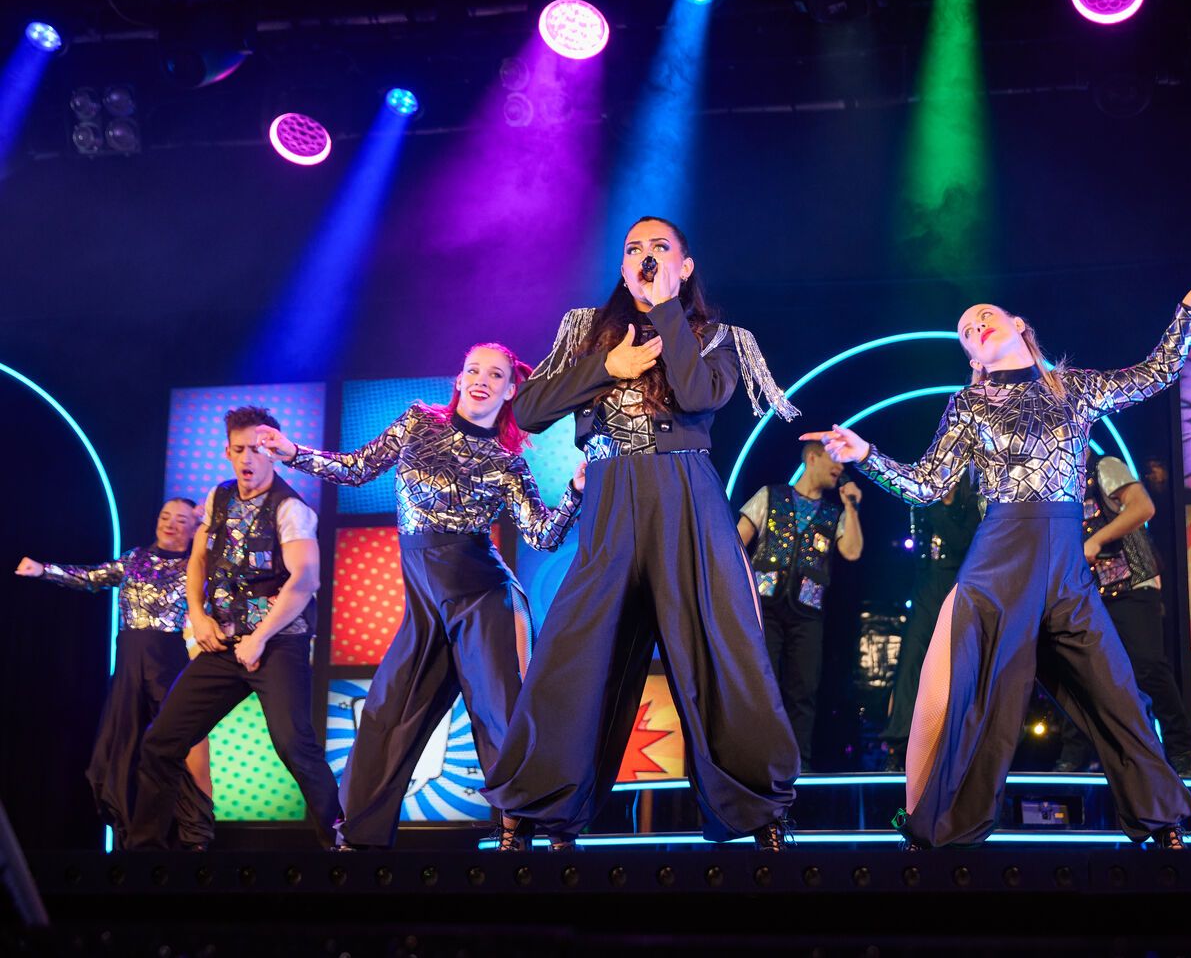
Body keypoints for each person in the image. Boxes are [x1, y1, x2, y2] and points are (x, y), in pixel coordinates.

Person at [804, 249, 1191, 850]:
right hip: (1001, 558)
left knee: (1117, 691)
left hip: (1064, 561)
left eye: (984, 316)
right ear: (972, 356)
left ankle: (1158, 820)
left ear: (1019, 327)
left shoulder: (1075, 389)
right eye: (964, 331)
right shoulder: (968, 405)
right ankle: (951, 832)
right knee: (988, 704)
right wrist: (867, 455)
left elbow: (1157, 374)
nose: (974, 327)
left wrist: (1190, 308)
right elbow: (927, 484)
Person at [484, 216, 801, 851]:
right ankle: (542, 808)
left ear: (685, 267)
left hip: (687, 494)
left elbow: (699, 394)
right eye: (634, 249)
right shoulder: (585, 329)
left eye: (660, 248)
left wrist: (667, 316)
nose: (645, 256)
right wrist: (608, 364)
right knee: (576, 650)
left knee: (719, 646)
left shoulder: (722, 337)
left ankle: (755, 810)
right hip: (610, 496)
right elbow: (529, 410)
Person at [255, 342, 585, 850]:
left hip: (482, 597)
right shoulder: (419, 422)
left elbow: (542, 535)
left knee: (500, 715)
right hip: (426, 604)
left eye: (495, 374)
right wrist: (294, 453)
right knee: (387, 712)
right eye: (473, 369)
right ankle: (360, 839)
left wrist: (576, 491)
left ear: (510, 389)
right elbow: (355, 468)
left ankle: (523, 831)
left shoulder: (508, 462)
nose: (481, 378)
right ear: (458, 378)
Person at [126, 406, 340, 850]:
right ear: (227, 451)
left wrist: (260, 638)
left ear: (274, 454)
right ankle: (143, 854)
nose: (248, 458)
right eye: (240, 449)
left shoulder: (291, 509)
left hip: (279, 641)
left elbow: (305, 581)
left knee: (293, 745)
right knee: (161, 742)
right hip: (224, 643)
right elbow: (199, 558)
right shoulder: (219, 497)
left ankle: (340, 842)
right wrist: (199, 615)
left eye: (259, 449)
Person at [16, 500, 212, 849]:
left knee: (176, 747)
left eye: (181, 520)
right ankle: (134, 838)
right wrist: (43, 570)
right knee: (121, 750)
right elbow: (93, 577)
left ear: (193, 528)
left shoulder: (196, 566)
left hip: (167, 662)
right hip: (129, 665)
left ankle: (194, 836)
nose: (170, 524)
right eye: (165, 516)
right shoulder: (134, 559)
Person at [1052, 453, 1191, 776]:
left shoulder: (1102, 467)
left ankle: (1181, 751)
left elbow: (1143, 507)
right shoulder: (1050, 482)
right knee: (1076, 669)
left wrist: (1096, 540)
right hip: (1085, 590)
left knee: (1147, 667)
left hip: (1130, 583)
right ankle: (1073, 757)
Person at [737, 440, 865, 767]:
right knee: (761, 684)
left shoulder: (833, 512)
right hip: (764, 607)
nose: (840, 468)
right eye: (833, 459)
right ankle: (755, 758)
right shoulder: (771, 496)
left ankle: (798, 764)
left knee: (803, 689)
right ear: (812, 457)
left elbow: (852, 551)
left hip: (808, 613)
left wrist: (851, 507)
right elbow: (736, 541)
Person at [880, 471, 980, 768]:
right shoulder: (922, 507)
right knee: (911, 659)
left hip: (957, 586)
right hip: (926, 586)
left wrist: (938, 503)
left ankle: (957, 743)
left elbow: (961, 541)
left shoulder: (972, 504)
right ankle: (900, 742)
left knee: (954, 665)